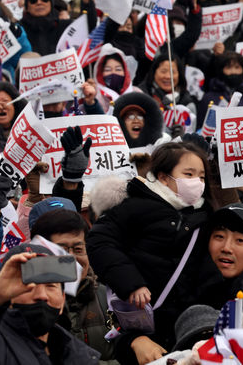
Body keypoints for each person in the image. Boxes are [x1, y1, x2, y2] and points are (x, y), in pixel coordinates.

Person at [86, 142, 211, 365]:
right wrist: (131, 283)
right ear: (163, 177)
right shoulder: (135, 206)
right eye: (189, 174)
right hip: (139, 323)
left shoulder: (202, 216)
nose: (197, 183)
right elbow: (100, 241)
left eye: (201, 177)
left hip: (184, 327)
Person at [0, 244, 100, 364]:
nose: (42, 295)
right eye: (29, 286)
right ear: (6, 293)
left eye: (50, 286)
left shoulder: (78, 354)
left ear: (62, 300)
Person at [30, 209, 117, 363]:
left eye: (78, 249)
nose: (71, 258)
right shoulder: (26, 304)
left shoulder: (109, 297)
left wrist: (136, 340)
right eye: (61, 250)